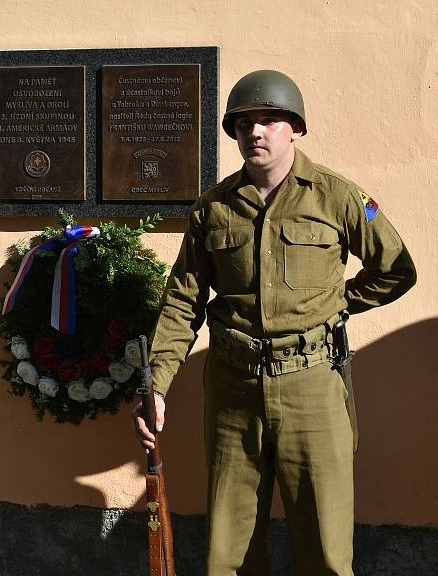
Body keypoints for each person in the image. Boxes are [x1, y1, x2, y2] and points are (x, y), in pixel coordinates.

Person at [133, 70, 416, 575]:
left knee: (326, 551)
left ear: (296, 128)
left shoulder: (338, 197)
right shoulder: (213, 210)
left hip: (312, 386)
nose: (255, 132)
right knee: (228, 554)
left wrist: (339, 303)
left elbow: (396, 270)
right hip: (232, 391)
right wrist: (157, 383)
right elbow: (182, 302)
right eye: (244, 123)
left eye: (268, 120)